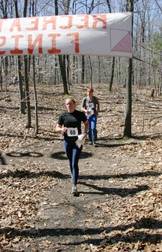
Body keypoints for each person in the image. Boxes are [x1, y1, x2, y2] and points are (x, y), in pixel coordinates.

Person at [55, 98, 88, 196]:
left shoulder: (80, 114)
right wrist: (61, 129)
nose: (69, 105)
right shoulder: (63, 116)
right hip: (67, 142)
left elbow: (86, 123)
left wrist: (85, 133)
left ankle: (74, 185)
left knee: (74, 163)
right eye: (67, 104)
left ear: (74, 104)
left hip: (77, 141)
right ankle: (73, 175)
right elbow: (56, 128)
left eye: (70, 104)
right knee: (70, 161)